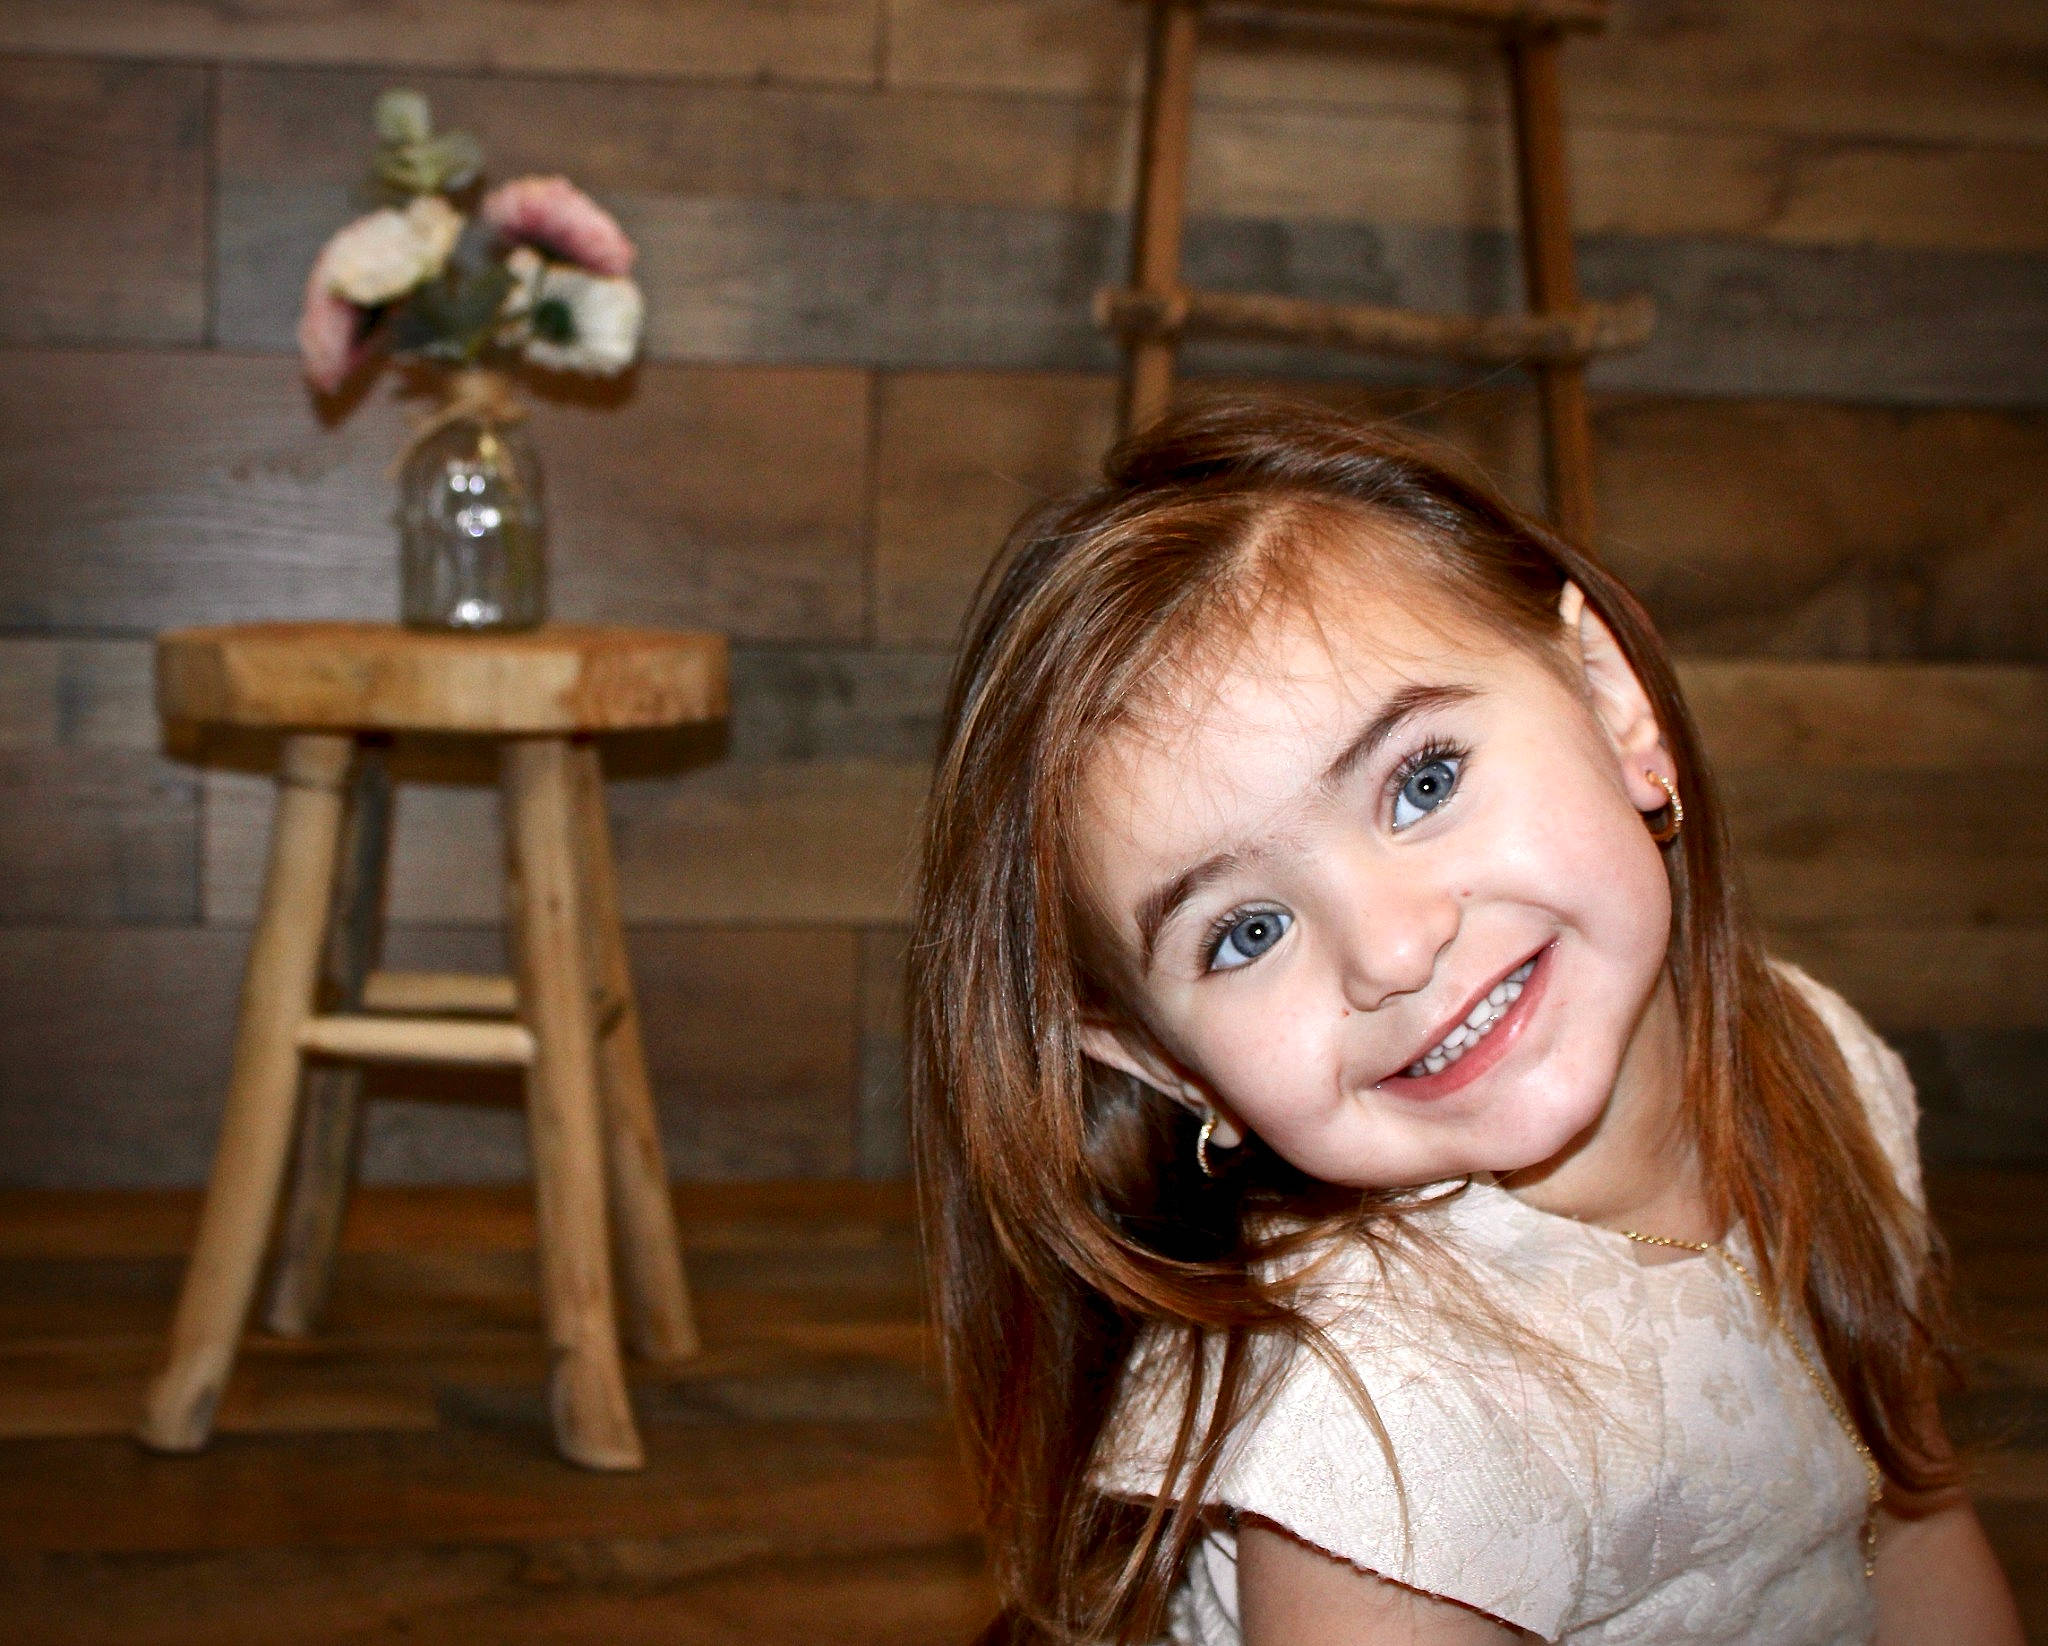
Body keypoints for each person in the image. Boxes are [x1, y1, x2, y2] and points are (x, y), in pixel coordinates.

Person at [908, 398, 2023, 1645]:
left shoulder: (1818, 1059)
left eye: (1420, 782)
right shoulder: (1382, 1426)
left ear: (1611, 702)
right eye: (1245, 931)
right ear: (1173, 1065)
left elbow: (1909, 1516)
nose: (1392, 949)